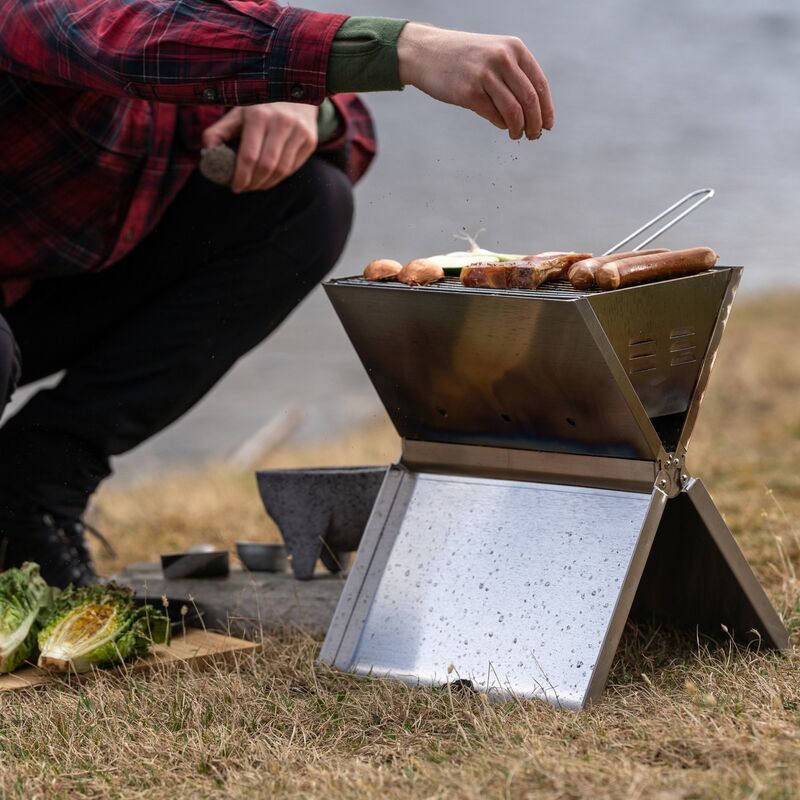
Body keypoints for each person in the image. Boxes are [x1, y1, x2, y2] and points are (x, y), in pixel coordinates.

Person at [0, 3, 554, 588]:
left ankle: (33, 490)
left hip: (43, 291)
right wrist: (408, 49)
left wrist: (297, 102)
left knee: (308, 202)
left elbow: (340, 121)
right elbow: (126, 37)